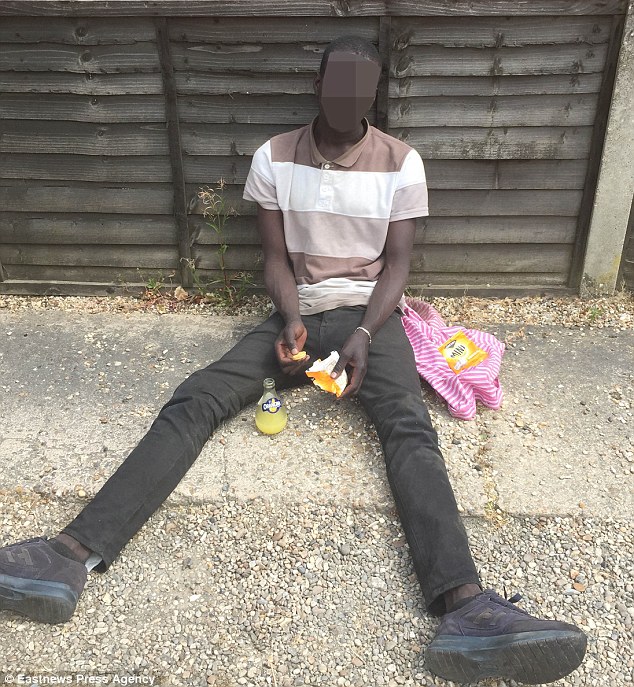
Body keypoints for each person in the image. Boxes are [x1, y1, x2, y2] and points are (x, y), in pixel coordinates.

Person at [0, 35, 586, 685]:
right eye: (337, 85)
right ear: (316, 87)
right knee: (199, 397)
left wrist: (365, 333)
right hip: (297, 315)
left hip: (371, 319)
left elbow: (397, 266)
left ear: (374, 95)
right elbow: (275, 260)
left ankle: (467, 607)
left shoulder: (402, 162)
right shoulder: (274, 157)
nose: (348, 98)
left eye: (361, 88)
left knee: (408, 427)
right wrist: (291, 319)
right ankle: (66, 557)